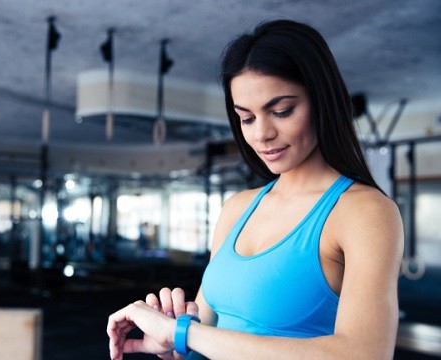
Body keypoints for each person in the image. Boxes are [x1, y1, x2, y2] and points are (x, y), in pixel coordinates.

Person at [107, 19, 403, 360]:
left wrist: (185, 333)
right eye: (246, 118)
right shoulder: (237, 207)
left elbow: (365, 354)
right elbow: (207, 334)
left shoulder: (364, 212)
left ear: (322, 101)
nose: (261, 134)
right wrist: (172, 337)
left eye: (281, 111)